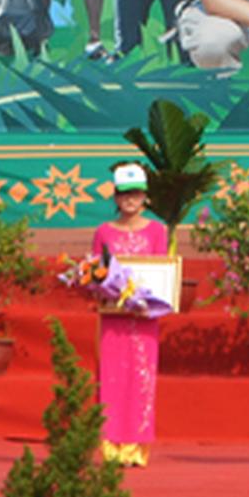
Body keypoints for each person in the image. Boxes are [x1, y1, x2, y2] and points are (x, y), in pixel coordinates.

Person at [91, 162, 168, 467]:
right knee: (111, 378)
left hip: (145, 317)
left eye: (135, 193)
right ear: (115, 197)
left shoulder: (157, 231)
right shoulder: (103, 232)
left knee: (141, 378)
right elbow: (96, 270)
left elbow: (161, 270)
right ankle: (111, 447)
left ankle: (136, 447)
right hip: (113, 317)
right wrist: (101, 287)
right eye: (124, 194)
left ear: (145, 196)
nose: (130, 200)